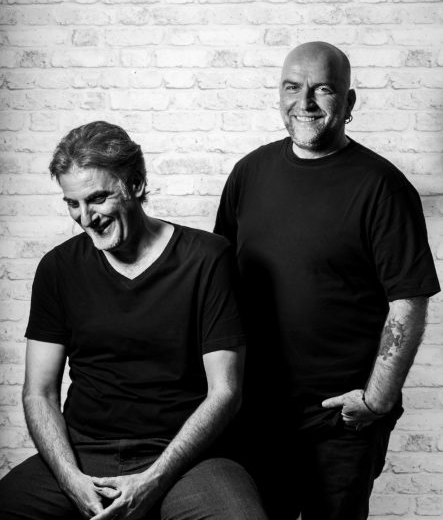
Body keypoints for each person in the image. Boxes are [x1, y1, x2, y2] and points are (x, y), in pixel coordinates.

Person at [214, 42, 440, 520]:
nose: (306, 102)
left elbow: (408, 301)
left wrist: (376, 400)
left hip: (340, 420)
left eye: (323, 89)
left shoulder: (382, 187)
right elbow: (221, 285)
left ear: (349, 101)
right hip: (256, 415)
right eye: (292, 88)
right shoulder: (249, 173)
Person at [0, 121, 269, 520]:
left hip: (188, 455)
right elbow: (38, 392)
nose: (85, 217)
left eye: (98, 198)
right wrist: (70, 478)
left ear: (137, 184)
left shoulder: (207, 258)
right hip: (83, 450)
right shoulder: (58, 268)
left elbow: (225, 392)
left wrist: (154, 479)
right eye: (73, 203)